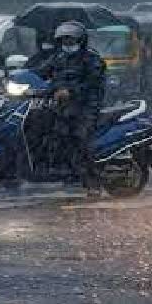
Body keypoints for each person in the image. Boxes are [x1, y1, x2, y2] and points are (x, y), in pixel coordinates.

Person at [32, 22, 106, 195]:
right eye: (64, 39)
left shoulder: (92, 59)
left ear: (81, 40)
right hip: (60, 106)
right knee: (42, 129)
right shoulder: (58, 58)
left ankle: (92, 181)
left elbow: (92, 83)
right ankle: (61, 171)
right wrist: (13, 77)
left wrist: (70, 91)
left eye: (71, 39)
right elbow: (39, 72)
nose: (67, 43)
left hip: (85, 107)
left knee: (79, 139)